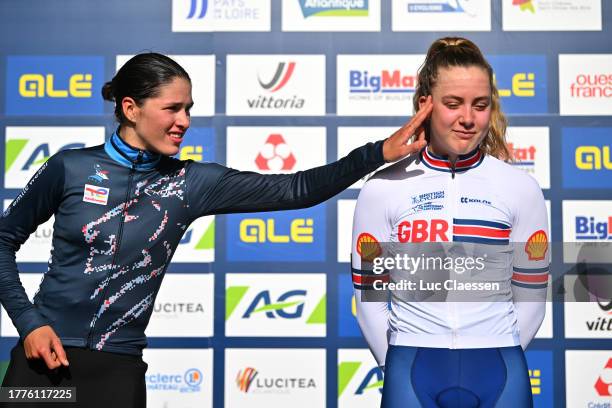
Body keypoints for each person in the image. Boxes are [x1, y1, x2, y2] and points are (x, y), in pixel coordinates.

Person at [0, 52, 431, 407]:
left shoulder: (192, 182)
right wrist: (30, 323)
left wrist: (375, 154)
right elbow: (2, 241)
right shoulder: (70, 167)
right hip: (41, 359)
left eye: (188, 109)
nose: (184, 121)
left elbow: (296, 189)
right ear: (131, 108)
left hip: (119, 369)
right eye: (172, 108)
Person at [351, 37, 549, 407]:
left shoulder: (521, 188)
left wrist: (497, 345)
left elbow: (532, 296)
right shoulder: (382, 188)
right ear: (427, 104)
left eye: (480, 105)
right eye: (453, 104)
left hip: (499, 369)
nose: (468, 119)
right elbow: (369, 298)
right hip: (412, 369)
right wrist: (395, 362)